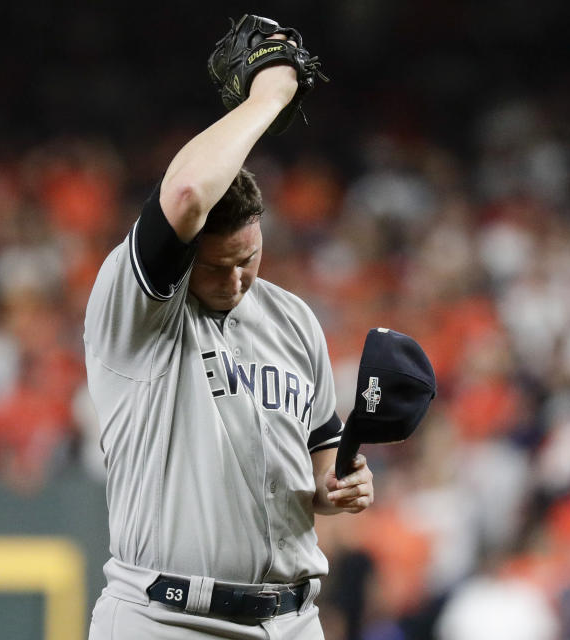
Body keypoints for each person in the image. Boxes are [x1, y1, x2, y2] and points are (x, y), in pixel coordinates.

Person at [84, 34, 374, 639]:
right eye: (217, 264)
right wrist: (272, 91)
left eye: (250, 256)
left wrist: (336, 485)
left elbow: (319, 459)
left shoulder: (293, 321)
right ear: (186, 252)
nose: (238, 277)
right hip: (167, 619)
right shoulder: (138, 309)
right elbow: (188, 192)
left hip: (293, 620)